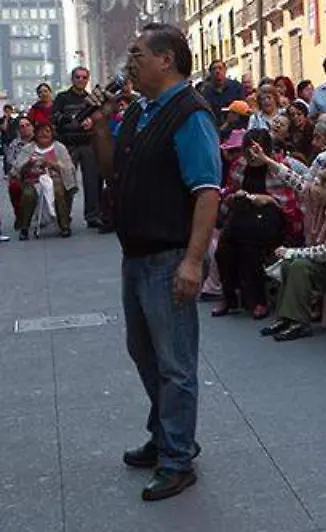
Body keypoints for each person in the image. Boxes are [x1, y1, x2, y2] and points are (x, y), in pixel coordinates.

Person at [89, 22, 222, 501]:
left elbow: (207, 191)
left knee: (174, 363)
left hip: (169, 256)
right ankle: (168, 432)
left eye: (137, 53)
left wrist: (193, 261)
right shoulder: (140, 110)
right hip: (136, 255)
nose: (130, 62)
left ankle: (177, 458)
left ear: (166, 60)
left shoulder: (190, 113)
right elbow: (111, 169)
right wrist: (101, 125)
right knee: (144, 352)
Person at [253, 148, 326, 342]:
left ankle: (299, 322)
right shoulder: (316, 200)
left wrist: (292, 252)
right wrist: (267, 160)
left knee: (298, 265)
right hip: (315, 260)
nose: (316, 188)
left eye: (322, 185)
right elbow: (292, 178)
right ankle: (286, 318)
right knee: (289, 264)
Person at [211, 129, 303, 319]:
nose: (252, 158)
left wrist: (269, 199)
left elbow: (291, 201)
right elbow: (229, 190)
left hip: (272, 218)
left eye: (256, 153)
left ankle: (257, 299)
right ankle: (228, 296)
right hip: (243, 214)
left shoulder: (278, 166)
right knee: (224, 248)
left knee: (250, 246)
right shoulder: (240, 164)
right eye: (248, 153)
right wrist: (233, 196)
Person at [52, 67, 104, 230]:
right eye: (78, 77)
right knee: (67, 181)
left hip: (88, 143)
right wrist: (73, 119)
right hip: (68, 144)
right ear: (72, 79)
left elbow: (100, 116)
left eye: (84, 77)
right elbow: (55, 117)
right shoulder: (62, 97)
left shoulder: (92, 98)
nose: (81, 80)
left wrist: (92, 121)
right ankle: (64, 217)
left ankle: (92, 215)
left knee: (92, 181)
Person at [12, 123, 76, 239]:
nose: (43, 134)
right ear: (35, 134)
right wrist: (29, 164)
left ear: (52, 134)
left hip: (54, 178)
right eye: (40, 132)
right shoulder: (28, 148)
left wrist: (52, 164)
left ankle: (64, 225)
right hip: (33, 180)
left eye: (47, 131)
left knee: (58, 191)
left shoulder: (59, 147)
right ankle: (24, 228)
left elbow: (68, 168)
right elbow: (17, 168)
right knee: (28, 194)